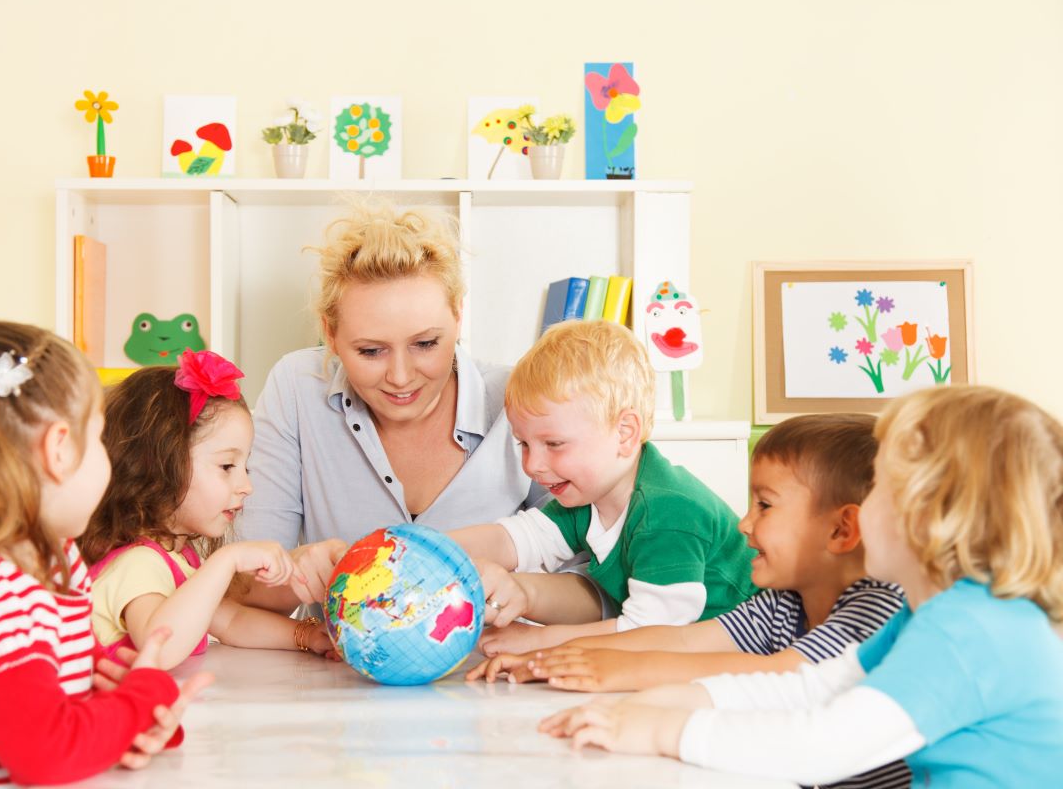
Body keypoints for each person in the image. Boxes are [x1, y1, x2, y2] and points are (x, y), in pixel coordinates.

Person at [547, 385, 1063, 788]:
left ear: (932, 514)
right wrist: (663, 702)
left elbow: (826, 742)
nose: (863, 506)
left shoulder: (972, 632)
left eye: (881, 484)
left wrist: (662, 730)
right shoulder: (942, 615)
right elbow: (808, 688)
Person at [0, 321, 209, 787]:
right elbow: (44, 753)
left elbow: (62, 712)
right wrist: (140, 699)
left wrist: (137, 719)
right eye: (100, 439)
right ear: (59, 449)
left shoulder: (50, 566)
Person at [237, 200, 585, 611]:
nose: (401, 377)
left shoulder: (519, 399)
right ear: (330, 335)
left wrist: (524, 593)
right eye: (370, 351)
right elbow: (246, 595)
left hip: (495, 669)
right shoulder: (296, 388)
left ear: (458, 317)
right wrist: (293, 569)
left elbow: (595, 585)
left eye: (425, 344)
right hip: (339, 671)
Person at [470, 413, 905, 692]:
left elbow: (784, 675)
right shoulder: (781, 604)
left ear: (841, 529)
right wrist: (555, 658)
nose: (744, 524)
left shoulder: (879, 608)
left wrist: (615, 669)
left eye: (765, 506)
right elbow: (681, 638)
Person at [450, 319, 757, 656]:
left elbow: (649, 634)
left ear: (624, 433)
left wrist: (537, 641)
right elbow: (514, 538)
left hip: (754, 658)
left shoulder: (668, 511)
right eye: (523, 443)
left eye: (553, 443)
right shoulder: (587, 497)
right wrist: (429, 549)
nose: (532, 464)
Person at [79, 350, 335, 669]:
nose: (246, 486)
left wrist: (306, 635)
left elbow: (232, 621)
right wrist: (226, 560)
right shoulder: (138, 563)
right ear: (159, 465)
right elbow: (159, 648)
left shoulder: (177, 559)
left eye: (246, 467)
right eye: (227, 466)